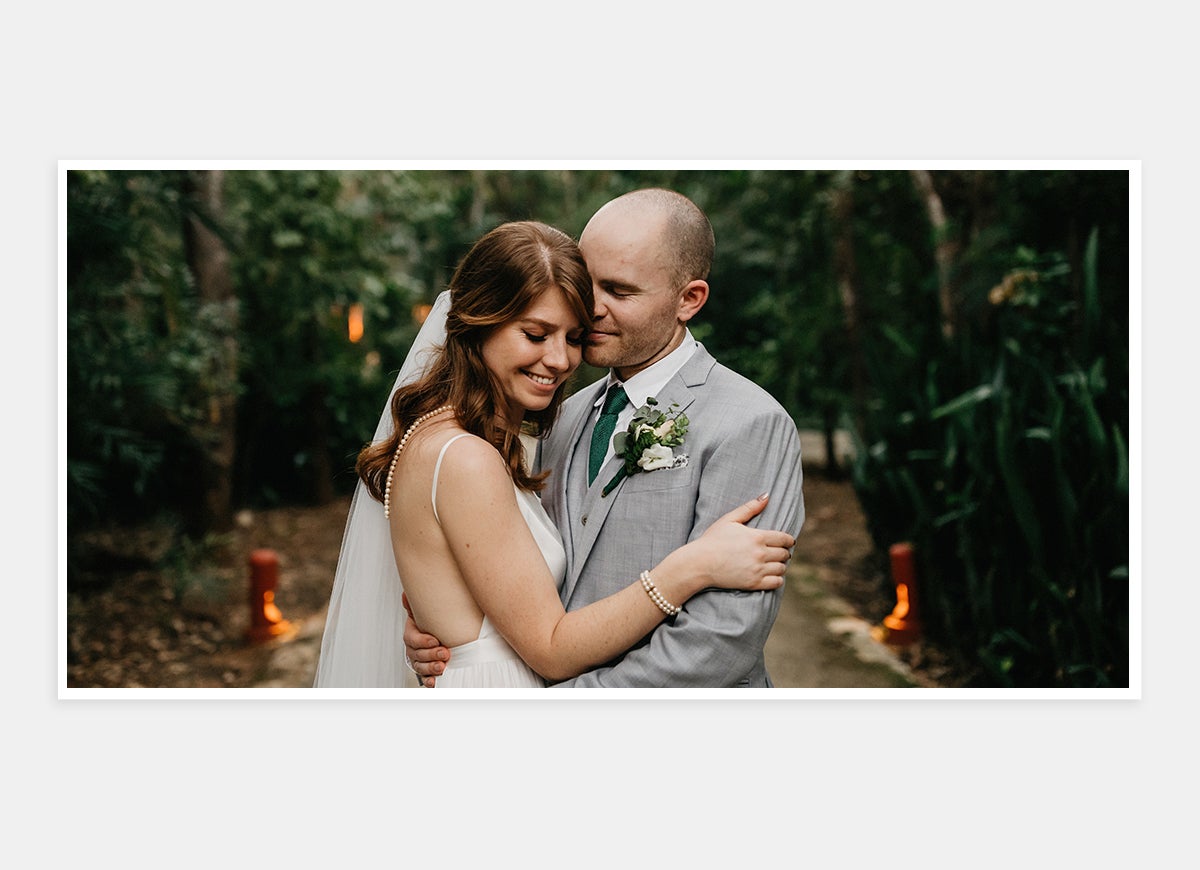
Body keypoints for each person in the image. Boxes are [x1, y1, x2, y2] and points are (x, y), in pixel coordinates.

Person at [313, 220, 795, 688]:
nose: (593, 313)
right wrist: (455, 639)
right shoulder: (547, 424)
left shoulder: (749, 422)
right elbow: (537, 628)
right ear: (482, 322)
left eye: (619, 291)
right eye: (539, 333)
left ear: (689, 299)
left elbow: (720, 639)